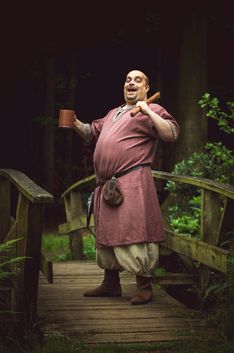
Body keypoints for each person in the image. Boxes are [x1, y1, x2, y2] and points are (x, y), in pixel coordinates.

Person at [72, 69, 180, 305]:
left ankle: (144, 287)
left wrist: (148, 111)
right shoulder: (114, 113)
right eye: (128, 80)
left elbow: (170, 133)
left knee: (134, 232)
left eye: (137, 80)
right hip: (106, 185)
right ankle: (111, 284)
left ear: (146, 88)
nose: (131, 83)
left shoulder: (153, 110)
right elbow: (92, 133)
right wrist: (74, 123)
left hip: (132, 182)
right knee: (108, 232)